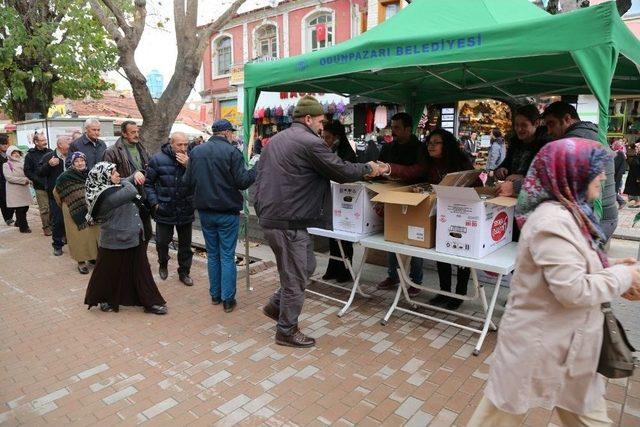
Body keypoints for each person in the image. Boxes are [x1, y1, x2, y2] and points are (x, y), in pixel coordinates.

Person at [468, 138, 640, 427]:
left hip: (568, 347)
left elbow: (573, 267)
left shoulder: (571, 212)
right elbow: (572, 289)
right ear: (570, 173)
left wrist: (611, 267)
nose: (601, 176)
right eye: (595, 169)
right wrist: (623, 277)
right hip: (540, 348)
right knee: (497, 418)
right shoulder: (552, 221)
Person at [254, 95, 378, 348]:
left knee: (306, 265)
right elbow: (342, 171)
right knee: (296, 278)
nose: (323, 126)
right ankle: (286, 330)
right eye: (321, 120)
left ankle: (276, 306)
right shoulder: (310, 142)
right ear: (308, 119)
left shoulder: (276, 140)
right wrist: (370, 168)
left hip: (277, 216)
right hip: (287, 220)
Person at [378, 129, 476, 309]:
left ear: (446, 145)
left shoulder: (461, 162)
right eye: (429, 142)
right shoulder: (428, 163)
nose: (431, 145)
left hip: (462, 215)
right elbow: (410, 171)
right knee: (442, 254)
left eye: (436, 142)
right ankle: (444, 292)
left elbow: (477, 183)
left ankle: (459, 294)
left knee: (462, 255)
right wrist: (388, 167)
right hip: (440, 215)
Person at [183, 119, 256, 313]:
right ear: (225, 133)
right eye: (231, 132)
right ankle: (228, 299)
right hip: (226, 212)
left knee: (213, 254)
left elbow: (187, 182)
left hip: (206, 212)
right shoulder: (232, 152)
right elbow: (242, 182)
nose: (232, 135)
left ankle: (215, 295)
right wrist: (256, 169)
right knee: (226, 255)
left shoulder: (197, 152)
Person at [84, 162, 167, 315]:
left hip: (133, 236)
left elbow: (127, 182)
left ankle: (150, 302)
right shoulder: (105, 196)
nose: (118, 174)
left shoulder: (110, 188)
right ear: (104, 177)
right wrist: (128, 178)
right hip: (114, 239)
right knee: (107, 273)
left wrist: (135, 174)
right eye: (114, 173)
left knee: (142, 271)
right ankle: (105, 299)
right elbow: (130, 190)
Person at [543, 101, 618, 242]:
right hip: (607, 216)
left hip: (593, 220)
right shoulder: (595, 133)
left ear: (567, 119)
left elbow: (548, 181)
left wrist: (515, 186)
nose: (549, 131)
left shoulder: (572, 141)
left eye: (551, 124)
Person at [376, 112, 425, 295]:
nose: (393, 131)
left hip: (416, 199)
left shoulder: (420, 148)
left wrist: (393, 169)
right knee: (392, 235)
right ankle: (393, 275)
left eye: (397, 128)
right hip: (391, 196)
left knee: (417, 239)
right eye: (392, 127)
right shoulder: (388, 147)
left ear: (407, 129)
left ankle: (416, 280)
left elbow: (419, 171)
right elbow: (380, 168)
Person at [145, 132, 195, 286]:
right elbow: (148, 184)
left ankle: (184, 272)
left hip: (185, 209)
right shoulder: (157, 159)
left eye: (186, 144)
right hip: (165, 209)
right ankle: (163, 264)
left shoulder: (192, 159)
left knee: (185, 245)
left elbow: (198, 181)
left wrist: (189, 166)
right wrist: (155, 203)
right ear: (171, 143)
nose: (183, 148)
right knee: (161, 243)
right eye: (180, 144)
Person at [103, 121, 152, 249]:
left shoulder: (142, 148)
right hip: (126, 201)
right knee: (129, 235)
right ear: (124, 133)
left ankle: (141, 260)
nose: (136, 134)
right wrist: (131, 178)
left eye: (137, 131)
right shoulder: (111, 152)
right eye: (133, 132)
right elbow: (108, 179)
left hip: (143, 197)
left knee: (146, 232)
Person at [321, 120, 358, 283]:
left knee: (345, 236)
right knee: (332, 236)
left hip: (346, 200)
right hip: (331, 198)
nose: (325, 141)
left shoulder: (348, 154)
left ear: (337, 137)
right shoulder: (328, 151)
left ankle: (345, 271)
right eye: (323, 137)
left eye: (327, 137)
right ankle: (333, 268)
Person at [54, 152, 99, 274]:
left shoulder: (91, 174)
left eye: (82, 161)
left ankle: (91, 257)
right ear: (72, 163)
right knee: (78, 237)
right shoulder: (65, 176)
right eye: (76, 161)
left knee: (91, 235)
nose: (80, 163)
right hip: (72, 210)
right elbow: (56, 193)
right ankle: (80, 262)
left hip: (90, 210)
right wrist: (68, 204)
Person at [39, 136, 71, 256]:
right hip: (55, 195)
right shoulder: (49, 157)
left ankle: (71, 241)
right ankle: (57, 245)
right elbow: (40, 172)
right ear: (60, 145)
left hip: (71, 193)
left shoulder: (72, 156)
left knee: (72, 219)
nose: (70, 145)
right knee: (58, 220)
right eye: (67, 142)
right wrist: (49, 164)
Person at [24, 132, 53, 236]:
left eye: (45, 140)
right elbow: (27, 171)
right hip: (40, 186)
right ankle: (46, 227)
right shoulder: (30, 155)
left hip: (51, 185)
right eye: (42, 140)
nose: (45, 142)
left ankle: (53, 225)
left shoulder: (50, 152)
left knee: (53, 207)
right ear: (36, 142)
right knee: (44, 208)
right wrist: (37, 180)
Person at [3, 146, 32, 233]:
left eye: (17, 152)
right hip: (14, 190)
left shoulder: (23, 163)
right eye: (13, 153)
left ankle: (18, 222)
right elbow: (9, 177)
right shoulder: (6, 164)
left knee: (25, 207)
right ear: (9, 154)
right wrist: (24, 180)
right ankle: (24, 228)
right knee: (21, 209)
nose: (16, 154)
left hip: (24, 189)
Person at [0, 135, 15, 226]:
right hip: (2, 182)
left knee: (13, 199)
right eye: (2, 144)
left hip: (13, 181)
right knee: (3, 201)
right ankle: (8, 218)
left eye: (6, 143)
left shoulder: (11, 154)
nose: (5, 145)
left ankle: (11, 216)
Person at [612, 139, 628, 209]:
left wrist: (619, 174)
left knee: (612, 190)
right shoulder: (615, 153)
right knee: (612, 189)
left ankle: (621, 201)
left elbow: (621, 165)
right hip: (614, 174)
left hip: (617, 175)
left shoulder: (620, 153)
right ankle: (620, 202)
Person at [625, 143, 640, 208]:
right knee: (635, 189)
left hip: (637, 176)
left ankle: (638, 202)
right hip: (634, 175)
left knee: (637, 189)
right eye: (636, 147)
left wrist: (638, 177)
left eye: (637, 147)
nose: (635, 149)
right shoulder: (637, 155)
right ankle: (637, 201)